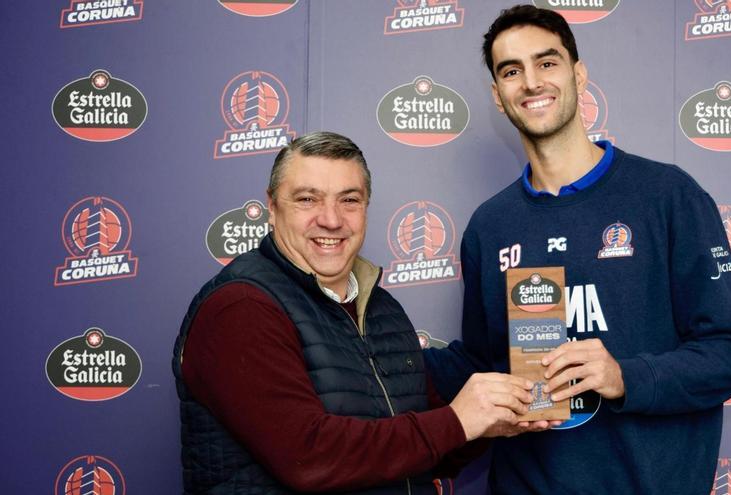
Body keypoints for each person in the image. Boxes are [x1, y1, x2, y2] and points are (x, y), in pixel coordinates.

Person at [424, 5, 731, 494]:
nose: (532, 82)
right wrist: (372, 349)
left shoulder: (668, 196)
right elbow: (482, 365)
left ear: (578, 74)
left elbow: (730, 354)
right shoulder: (488, 227)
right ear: (498, 96)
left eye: (547, 62)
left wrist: (624, 375)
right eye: (511, 71)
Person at [172, 131, 537, 494]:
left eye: (349, 200)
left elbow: (423, 450)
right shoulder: (242, 307)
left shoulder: (382, 309)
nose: (331, 219)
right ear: (272, 207)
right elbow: (310, 458)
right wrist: (459, 420)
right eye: (307, 199)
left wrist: (495, 418)